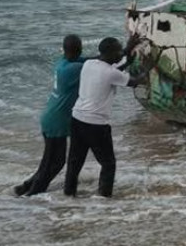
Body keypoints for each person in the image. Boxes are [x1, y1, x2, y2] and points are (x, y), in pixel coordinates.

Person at [63, 35, 145, 198]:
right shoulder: (110, 73)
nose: (120, 52)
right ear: (111, 53)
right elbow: (135, 81)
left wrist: (127, 56)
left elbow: (113, 71)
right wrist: (149, 67)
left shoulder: (88, 64)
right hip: (96, 125)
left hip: (77, 119)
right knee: (108, 164)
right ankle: (103, 198)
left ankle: (68, 194)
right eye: (118, 50)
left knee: (75, 161)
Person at [14, 35, 85, 197]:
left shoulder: (63, 63)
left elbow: (90, 59)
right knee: (54, 163)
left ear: (64, 49)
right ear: (80, 48)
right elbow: (99, 62)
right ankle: (32, 195)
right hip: (57, 120)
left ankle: (25, 187)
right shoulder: (74, 69)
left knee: (48, 161)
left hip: (51, 116)